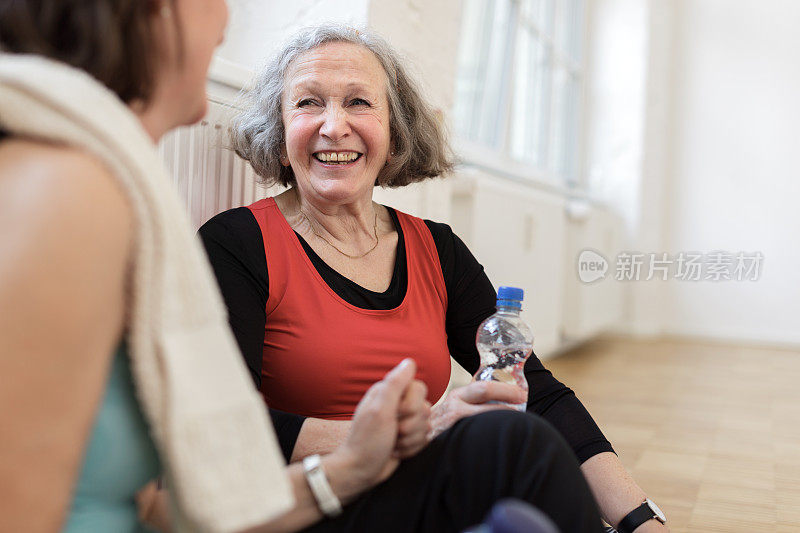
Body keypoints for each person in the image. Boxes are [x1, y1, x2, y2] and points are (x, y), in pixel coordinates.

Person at [200, 24, 668, 533]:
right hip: (307, 505)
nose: (333, 126)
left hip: (416, 493)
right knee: (512, 444)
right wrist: (418, 431)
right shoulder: (237, 244)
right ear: (280, 129)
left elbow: (537, 391)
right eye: (309, 103)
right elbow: (230, 428)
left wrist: (642, 519)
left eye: (359, 103)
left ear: (395, 132)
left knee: (524, 444)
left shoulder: (436, 248)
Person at [0, 2, 433, 532]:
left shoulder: (104, 192)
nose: (225, 8)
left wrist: (348, 468)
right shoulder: (68, 192)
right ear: (149, 15)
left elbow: (161, 510)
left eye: (359, 102)